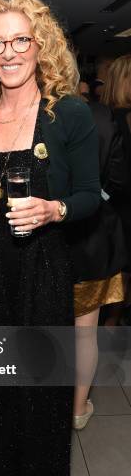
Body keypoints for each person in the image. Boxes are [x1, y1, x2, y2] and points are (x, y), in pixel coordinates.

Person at [0, 0, 100, 476]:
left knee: (41, 383)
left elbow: (91, 193)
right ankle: (6, 471)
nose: (9, 52)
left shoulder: (67, 112)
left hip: (43, 266)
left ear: (40, 46)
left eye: (21, 39)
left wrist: (53, 209)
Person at [70, 101, 128, 429]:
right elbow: (118, 181)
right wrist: (94, 199)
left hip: (41, 239)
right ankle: (78, 408)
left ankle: (41, 407)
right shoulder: (103, 116)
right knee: (84, 334)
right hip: (92, 239)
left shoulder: (26, 110)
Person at [101, 54, 131, 325]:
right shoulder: (112, 118)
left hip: (112, 204)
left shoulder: (102, 115)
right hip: (119, 205)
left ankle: (113, 320)